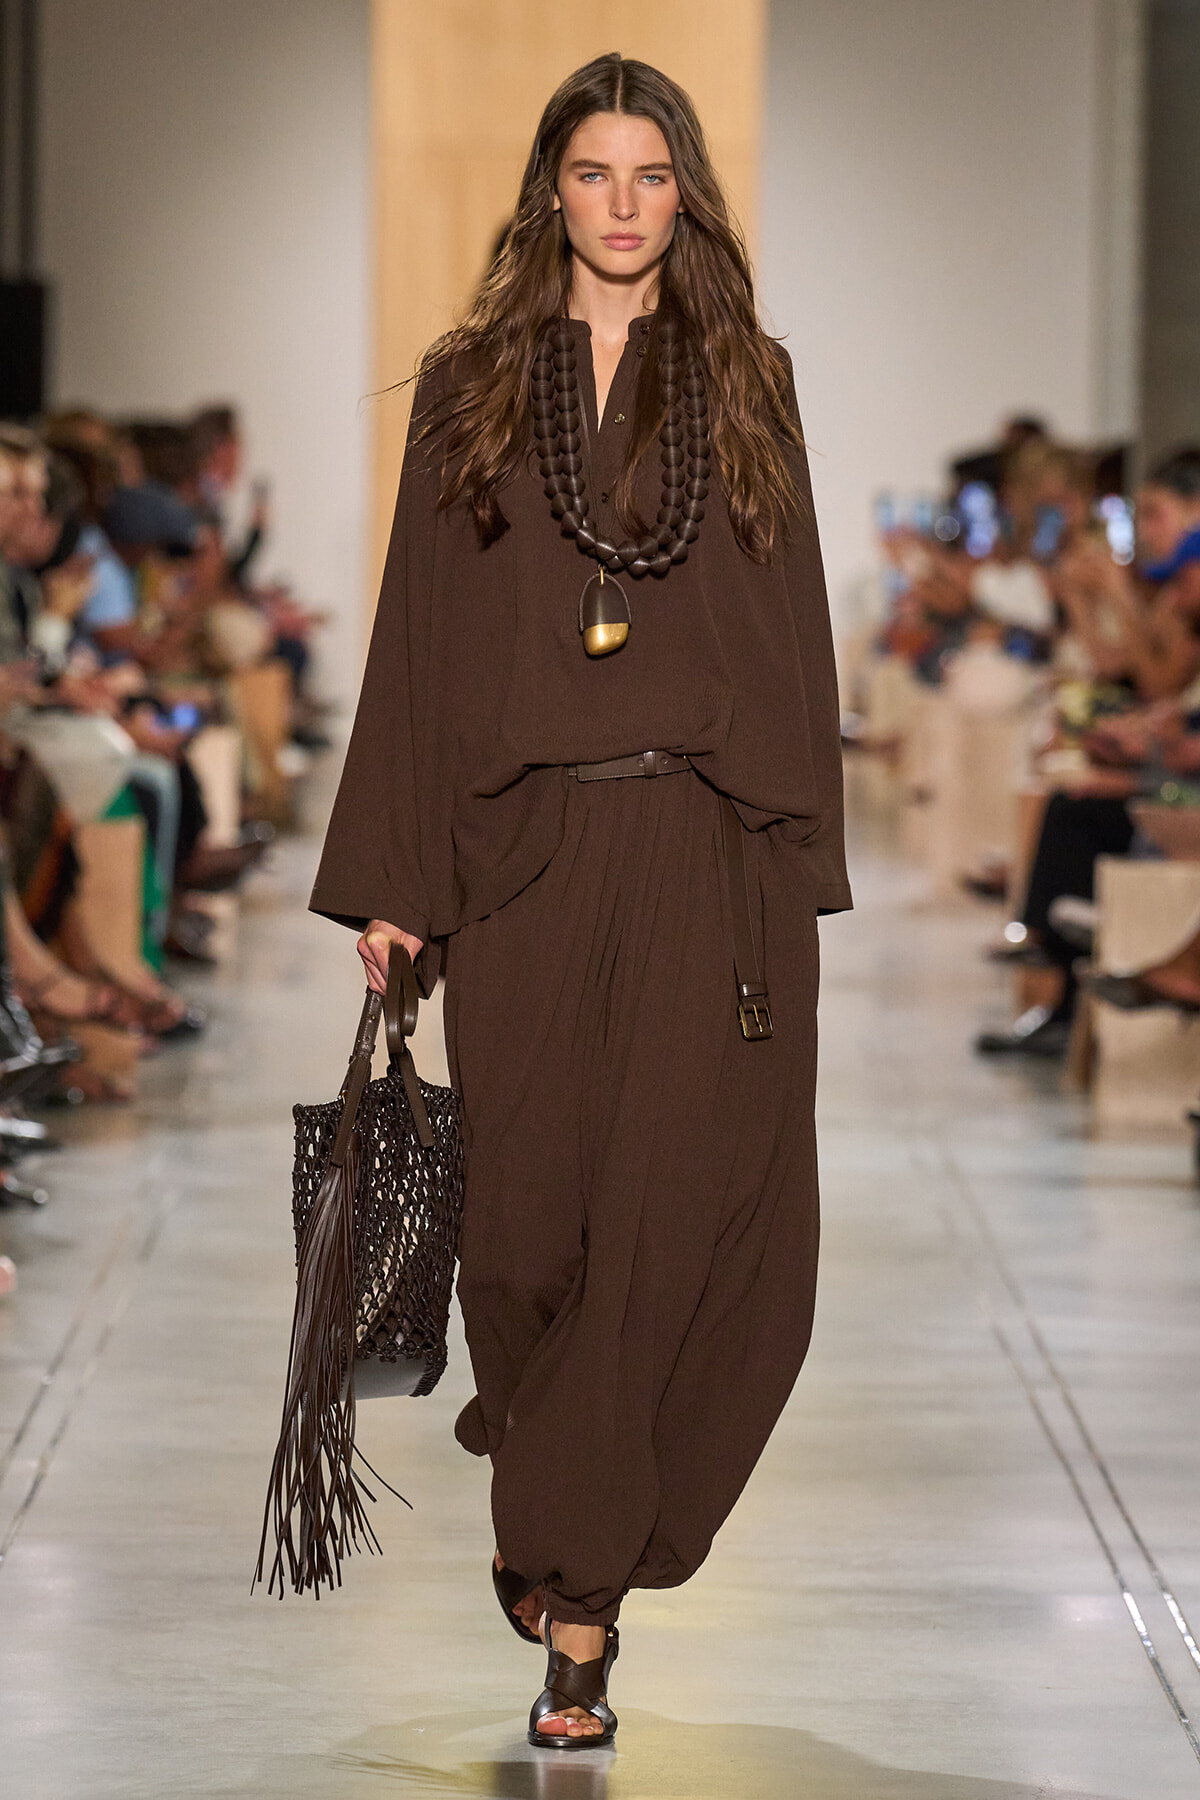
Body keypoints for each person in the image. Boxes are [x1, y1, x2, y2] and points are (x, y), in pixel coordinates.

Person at [311, 53, 849, 1750]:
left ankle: (583, 1615)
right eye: (595, 174)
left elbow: (793, 634)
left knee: (669, 1221)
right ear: (553, 187)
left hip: (698, 856)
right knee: (529, 1237)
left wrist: (792, 864)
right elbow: (419, 641)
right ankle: (559, 1487)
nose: (623, 205)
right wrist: (399, 884)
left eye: (652, 177)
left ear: (683, 197)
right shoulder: (472, 388)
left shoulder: (744, 382)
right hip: (527, 863)